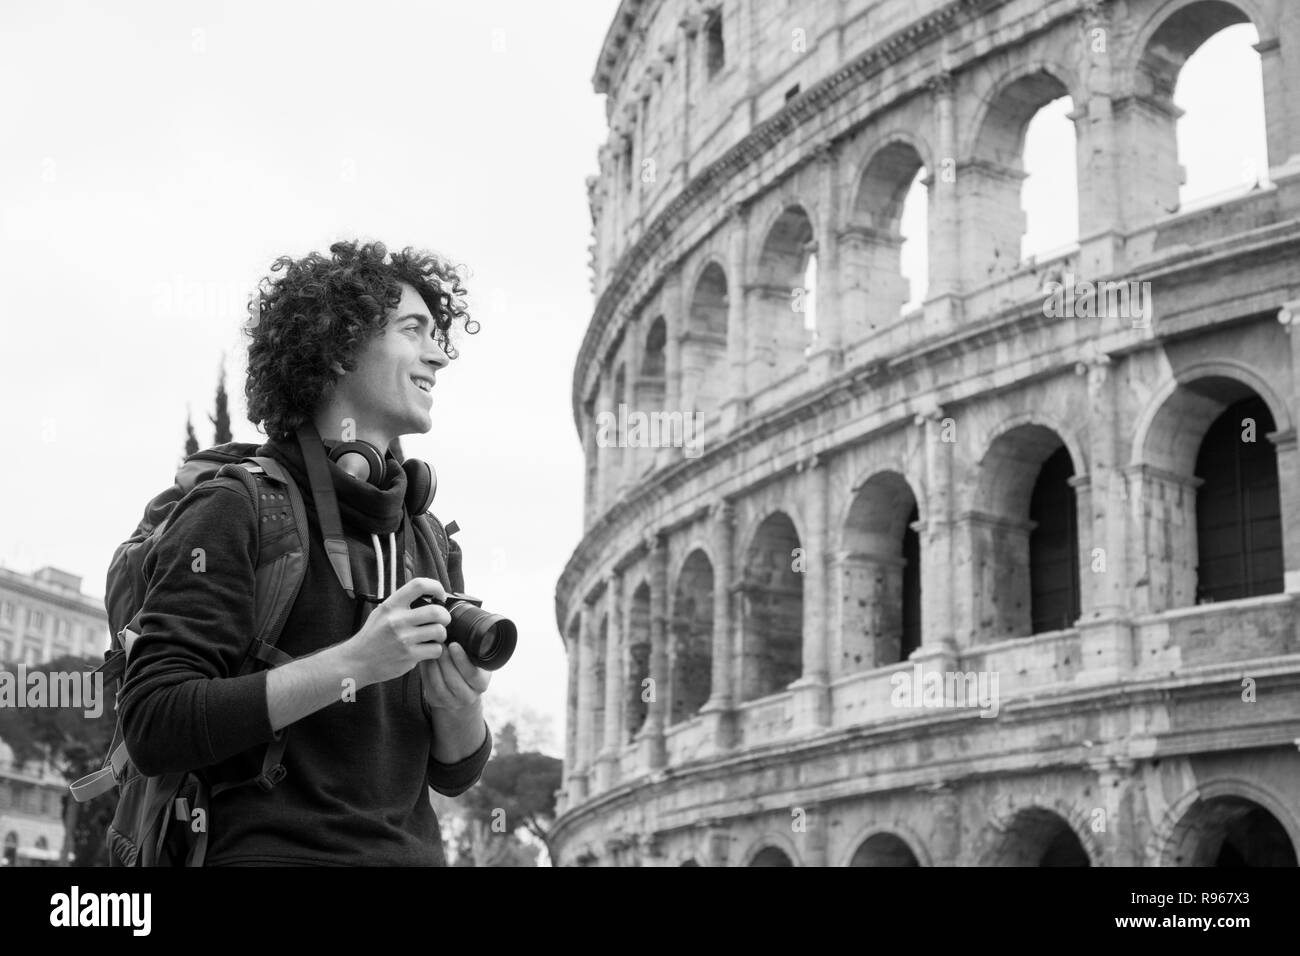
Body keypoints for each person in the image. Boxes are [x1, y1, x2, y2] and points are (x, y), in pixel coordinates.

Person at [118, 239, 491, 865]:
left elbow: (453, 773)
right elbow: (156, 722)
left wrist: (461, 702)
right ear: (340, 344)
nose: (439, 354)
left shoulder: (426, 537)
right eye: (413, 329)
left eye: (439, 334)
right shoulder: (235, 507)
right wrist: (356, 663)